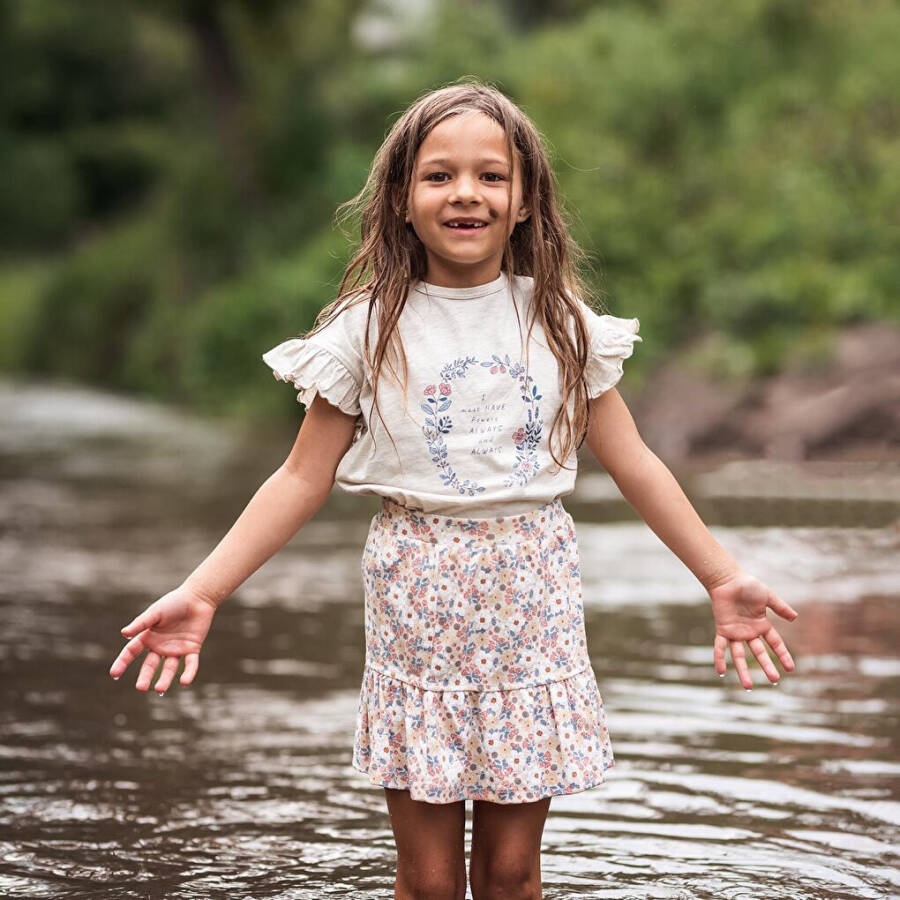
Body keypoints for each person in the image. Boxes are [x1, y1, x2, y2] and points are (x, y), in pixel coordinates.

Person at [109, 80, 799, 900]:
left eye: (491, 176)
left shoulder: (562, 324)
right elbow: (300, 476)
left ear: (525, 202)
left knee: (511, 873)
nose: (465, 193)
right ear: (401, 200)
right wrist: (204, 590)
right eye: (439, 176)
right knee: (428, 879)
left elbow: (635, 460)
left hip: (531, 598)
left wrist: (720, 575)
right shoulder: (367, 329)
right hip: (416, 597)